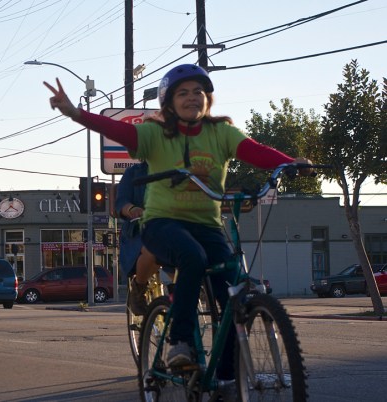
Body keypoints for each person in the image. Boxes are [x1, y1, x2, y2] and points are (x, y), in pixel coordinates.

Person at [45, 64, 312, 395]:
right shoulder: (156, 133)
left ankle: (226, 377)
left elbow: (255, 152)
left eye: (198, 92)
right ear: (168, 103)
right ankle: (180, 342)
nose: (191, 98)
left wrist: (289, 163)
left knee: (230, 287)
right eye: (182, 93)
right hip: (161, 223)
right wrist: (75, 113)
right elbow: (121, 131)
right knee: (192, 257)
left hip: (206, 224)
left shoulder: (222, 133)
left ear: (207, 99)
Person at [114, 161, 160, 284]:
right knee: (155, 251)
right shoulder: (133, 173)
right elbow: (121, 202)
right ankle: (139, 287)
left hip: (173, 228)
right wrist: (132, 209)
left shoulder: (180, 169)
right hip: (140, 229)